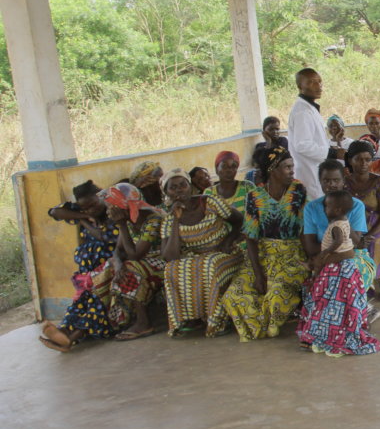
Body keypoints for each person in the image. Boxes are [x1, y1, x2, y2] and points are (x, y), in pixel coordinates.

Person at [217, 146, 308, 341]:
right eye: (287, 167)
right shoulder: (255, 197)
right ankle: (257, 328)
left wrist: (310, 260)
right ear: (272, 170)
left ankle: (268, 327)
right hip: (263, 255)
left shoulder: (298, 190)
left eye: (292, 166)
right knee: (234, 294)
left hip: (291, 256)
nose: (292, 170)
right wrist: (258, 274)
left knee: (276, 294)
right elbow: (250, 237)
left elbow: (304, 230)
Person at [297, 189, 380, 356]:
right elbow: (354, 243)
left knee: (325, 296)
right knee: (342, 299)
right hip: (346, 266)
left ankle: (325, 332)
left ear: (336, 210)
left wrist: (326, 252)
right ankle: (345, 326)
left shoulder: (336, 226)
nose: (324, 209)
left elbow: (339, 242)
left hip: (337, 265)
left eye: (327, 206)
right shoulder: (345, 222)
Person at [160, 168, 244, 337]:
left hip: (224, 253)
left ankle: (217, 321)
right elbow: (170, 256)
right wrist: (176, 219)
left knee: (209, 264)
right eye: (173, 188)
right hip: (197, 257)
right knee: (172, 269)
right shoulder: (169, 219)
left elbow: (239, 220)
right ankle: (189, 319)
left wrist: (229, 240)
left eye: (182, 185)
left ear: (190, 187)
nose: (178, 190)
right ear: (167, 193)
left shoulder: (210, 202)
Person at [38, 180, 121, 352]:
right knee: (79, 304)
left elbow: (102, 236)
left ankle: (72, 338)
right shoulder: (83, 213)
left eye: (94, 204)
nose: (92, 209)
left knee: (97, 304)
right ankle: (62, 333)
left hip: (107, 272)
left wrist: (83, 222)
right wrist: (82, 216)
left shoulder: (113, 214)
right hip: (87, 275)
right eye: (86, 208)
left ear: (101, 196)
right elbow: (54, 211)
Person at [301, 159, 380, 325]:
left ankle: (355, 315)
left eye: (336, 180)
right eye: (326, 181)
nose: (331, 185)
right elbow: (309, 247)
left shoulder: (355, 205)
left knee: (349, 273)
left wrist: (342, 221)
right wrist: (335, 247)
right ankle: (343, 317)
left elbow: (357, 244)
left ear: (344, 182)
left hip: (352, 256)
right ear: (320, 182)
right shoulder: (312, 208)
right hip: (326, 257)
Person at [101, 183, 166, 340]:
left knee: (131, 267)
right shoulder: (130, 218)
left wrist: (122, 225)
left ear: (122, 206)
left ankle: (144, 323)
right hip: (143, 262)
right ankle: (110, 319)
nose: (109, 212)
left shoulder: (153, 219)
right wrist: (117, 266)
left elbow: (135, 254)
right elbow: (118, 250)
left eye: (111, 207)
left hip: (164, 261)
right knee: (106, 269)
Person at [344, 141, 380, 300]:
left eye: (368, 159)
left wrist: (369, 235)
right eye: (358, 159)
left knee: (375, 243)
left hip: (378, 227)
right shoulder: (344, 183)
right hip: (352, 227)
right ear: (350, 160)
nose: (364, 163)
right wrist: (355, 234)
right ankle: (359, 284)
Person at [287, 69, 338, 200]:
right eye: (311, 82)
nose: (318, 86)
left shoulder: (309, 108)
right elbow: (302, 145)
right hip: (308, 173)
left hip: (315, 170)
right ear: (300, 86)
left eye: (319, 82)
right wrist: (331, 153)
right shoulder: (302, 111)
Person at [249, 116, 289, 185]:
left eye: (277, 129)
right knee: (251, 174)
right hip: (265, 175)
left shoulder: (283, 141)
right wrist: (268, 142)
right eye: (271, 129)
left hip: (279, 173)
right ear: (264, 131)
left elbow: (276, 160)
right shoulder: (259, 146)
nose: (275, 132)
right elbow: (256, 165)